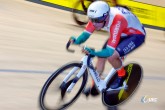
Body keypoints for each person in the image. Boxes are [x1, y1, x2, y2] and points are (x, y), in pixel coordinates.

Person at [69, 1, 146, 96]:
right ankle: (95, 86)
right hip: (122, 32)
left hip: (135, 35)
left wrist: (94, 52)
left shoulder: (117, 20)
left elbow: (109, 52)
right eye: (91, 19)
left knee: (111, 56)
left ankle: (122, 75)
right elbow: (85, 34)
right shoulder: (97, 16)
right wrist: (76, 41)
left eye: (97, 20)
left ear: (106, 16)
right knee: (101, 56)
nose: (94, 23)